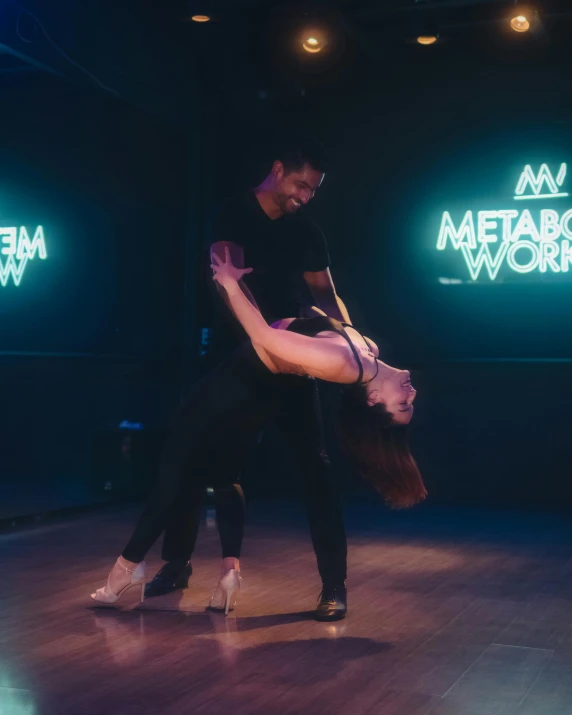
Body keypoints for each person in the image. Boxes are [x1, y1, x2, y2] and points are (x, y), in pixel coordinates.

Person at [89, 248, 425, 615]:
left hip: (245, 379)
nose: (412, 394)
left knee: (178, 466)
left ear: (374, 399)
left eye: (402, 405)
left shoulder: (344, 362)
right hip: (267, 381)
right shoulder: (366, 350)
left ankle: (128, 568)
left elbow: (263, 336)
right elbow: (325, 311)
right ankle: (222, 574)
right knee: (218, 473)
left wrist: (230, 284)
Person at [146, 137, 355, 622]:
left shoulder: (307, 229)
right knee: (196, 460)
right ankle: (176, 565)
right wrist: (261, 341)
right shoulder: (232, 214)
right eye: (301, 184)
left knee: (316, 468)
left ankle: (334, 586)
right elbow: (228, 282)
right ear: (279, 170)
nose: (305, 196)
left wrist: (345, 335)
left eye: (314, 190)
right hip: (234, 358)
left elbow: (326, 294)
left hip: (291, 359)